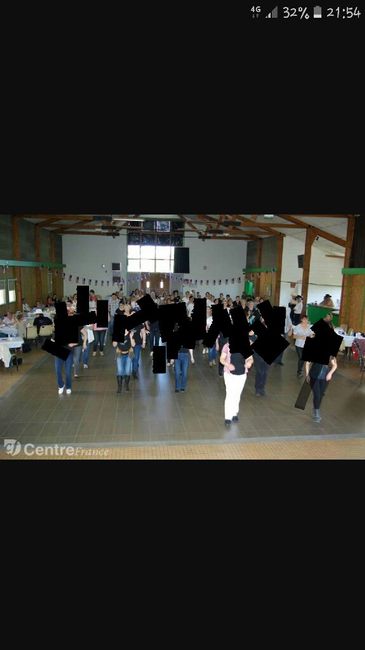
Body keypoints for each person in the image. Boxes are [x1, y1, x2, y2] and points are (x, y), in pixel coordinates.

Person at [220, 342, 253, 425]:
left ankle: (234, 413)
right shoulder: (227, 346)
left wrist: (249, 362)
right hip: (229, 374)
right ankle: (228, 417)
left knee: (237, 394)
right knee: (230, 394)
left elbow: (250, 358)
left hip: (242, 375)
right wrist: (228, 364)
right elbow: (222, 359)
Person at [305, 356, 337, 423]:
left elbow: (335, 365)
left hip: (325, 378)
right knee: (317, 395)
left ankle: (315, 408)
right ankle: (317, 412)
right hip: (314, 377)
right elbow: (307, 363)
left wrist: (330, 373)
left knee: (321, 395)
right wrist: (307, 375)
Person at [113, 329, 135, 393]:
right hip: (119, 354)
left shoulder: (130, 333)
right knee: (120, 370)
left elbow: (133, 345)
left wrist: (131, 337)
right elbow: (114, 345)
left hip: (129, 354)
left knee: (127, 370)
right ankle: (119, 387)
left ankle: (126, 385)